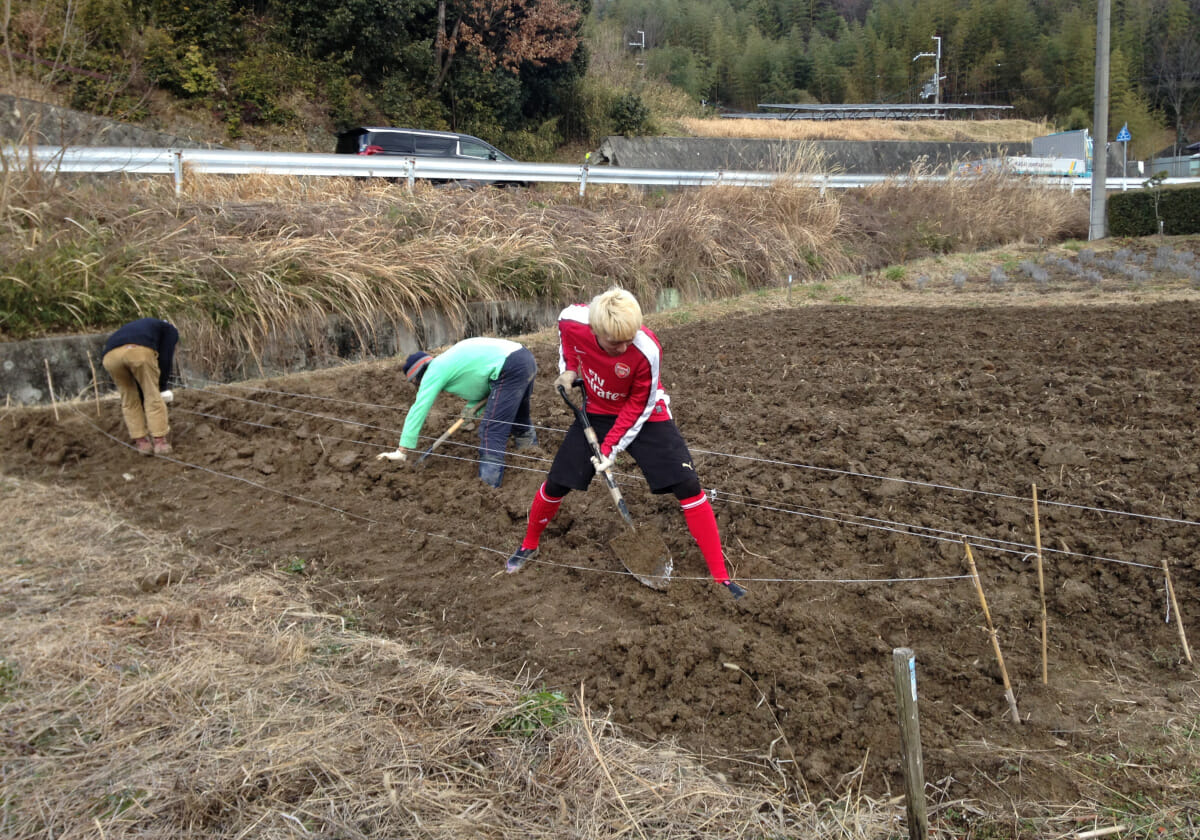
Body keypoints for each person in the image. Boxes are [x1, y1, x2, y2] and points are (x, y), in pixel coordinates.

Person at [505, 287, 747, 599]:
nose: (623, 346)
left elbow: (639, 405)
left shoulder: (647, 350)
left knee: (687, 483)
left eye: (628, 338)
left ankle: (720, 576)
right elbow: (568, 343)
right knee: (557, 483)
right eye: (614, 341)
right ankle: (529, 545)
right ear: (595, 329)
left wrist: (610, 450)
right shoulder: (571, 320)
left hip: (646, 414)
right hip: (596, 411)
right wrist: (569, 370)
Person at [377, 337, 538, 487]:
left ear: (417, 377)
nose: (418, 387)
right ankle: (533, 460)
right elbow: (486, 383)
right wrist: (471, 409)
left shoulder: (434, 370)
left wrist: (402, 450)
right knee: (519, 417)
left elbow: (419, 408)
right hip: (523, 358)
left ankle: (488, 486)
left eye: (416, 384)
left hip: (509, 366)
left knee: (491, 431)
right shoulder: (449, 361)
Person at [101, 317, 179, 456]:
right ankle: (160, 443)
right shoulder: (170, 330)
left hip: (110, 357)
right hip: (137, 351)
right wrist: (162, 387)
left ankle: (142, 443)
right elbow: (165, 359)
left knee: (129, 398)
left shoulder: (138, 326)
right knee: (152, 395)